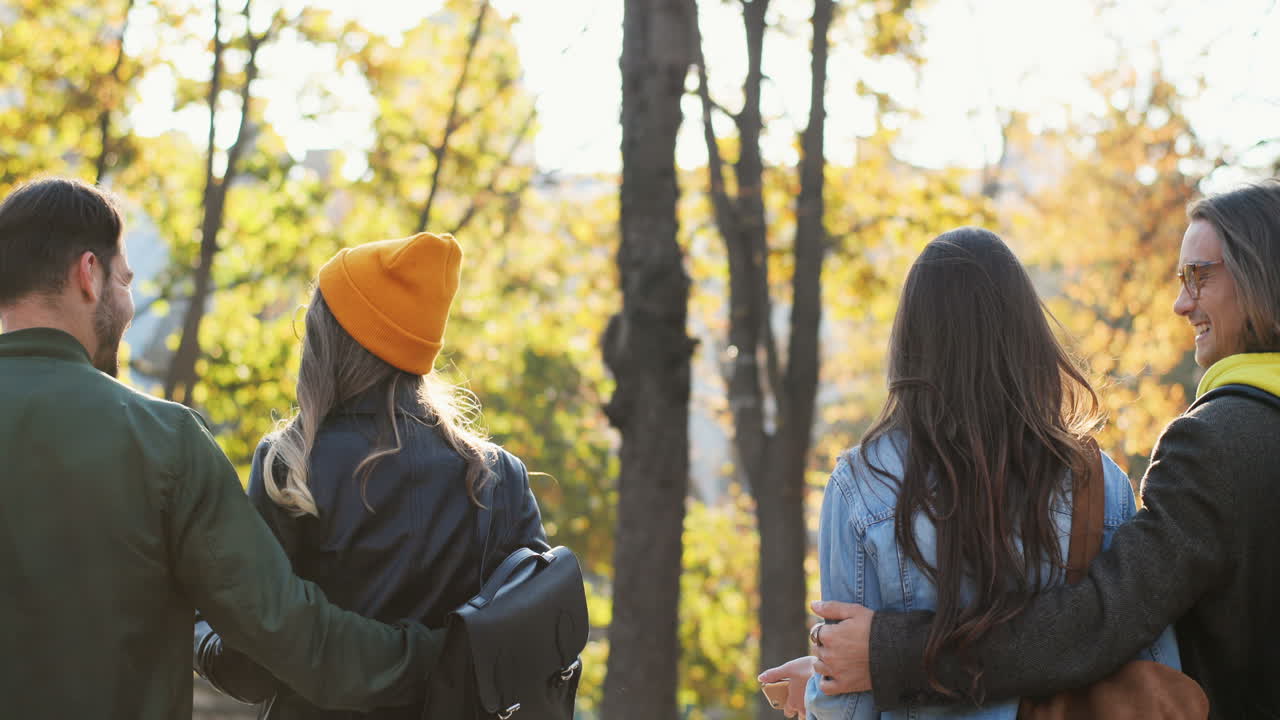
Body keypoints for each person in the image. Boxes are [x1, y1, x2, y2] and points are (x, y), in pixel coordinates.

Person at [805, 180, 1280, 719]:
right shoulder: (1095, 478)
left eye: (1199, 275)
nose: (1179, 302)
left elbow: (1102, 621)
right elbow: (1148, 658)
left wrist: (881, 658)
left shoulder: (1215, 444)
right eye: (1180, 277)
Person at [0, 177, 444, 719]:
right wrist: (438, 653)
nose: (128, 301)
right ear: (88, 275)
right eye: (125, 279)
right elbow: (286, 630)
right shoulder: (162, 441)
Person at [761, 228, 1180, 719]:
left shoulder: (864, 484)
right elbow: (1143, 657)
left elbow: (850, 701)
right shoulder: (1097, 480)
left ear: (912, 341)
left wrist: (813, 699)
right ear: (1026, 335)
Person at [192, 231, 550, 718]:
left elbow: (251, 669)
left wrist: (197, 627)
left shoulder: (292, 467)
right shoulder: (498, 477)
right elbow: (536, 643)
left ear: (332, 341)